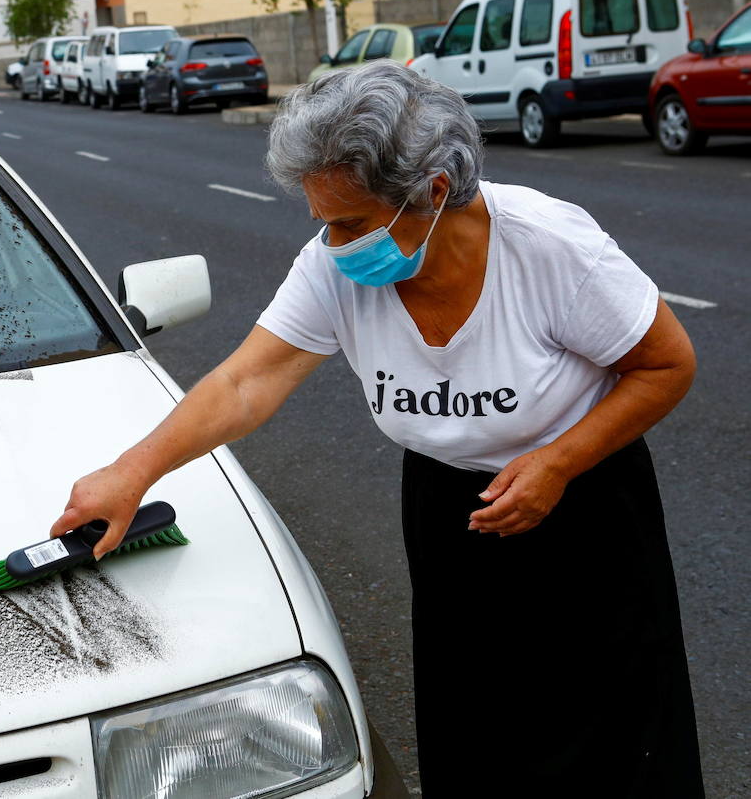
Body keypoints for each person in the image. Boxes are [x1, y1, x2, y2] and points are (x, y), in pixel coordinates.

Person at [51, 61, 704, 797]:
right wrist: (134, 471)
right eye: (322, 222)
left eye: (352, 224)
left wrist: (557, 461)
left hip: (584, 505)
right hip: (450, 513)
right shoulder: (333, 268)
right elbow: (246, 381)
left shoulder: (549, 248)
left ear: (430, 193)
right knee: (478, 733)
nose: (334, 244)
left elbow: (666, 365)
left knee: (612, 740)